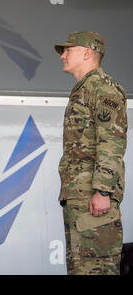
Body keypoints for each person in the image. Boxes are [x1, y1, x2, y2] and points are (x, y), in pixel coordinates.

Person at [55, 31, 127, 275]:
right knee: (81, 270)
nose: (63, 56)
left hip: (94, 200)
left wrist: (103, 190)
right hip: (80, 199)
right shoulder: (83, 89)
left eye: (68, 50)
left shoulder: (102, 88)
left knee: (96, 270)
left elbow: (112, 140)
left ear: (87, 52)